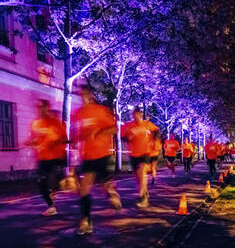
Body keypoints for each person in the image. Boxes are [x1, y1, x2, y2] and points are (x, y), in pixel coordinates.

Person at [73, 85, 121, 235]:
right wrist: (75, 140)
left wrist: (99, 131)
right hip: (87, 157)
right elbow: (79, 133)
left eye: (85, 94)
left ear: (91, 95)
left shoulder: (100, 111)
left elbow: (114, 129)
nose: (83, 97)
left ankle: (111, 192)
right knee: (84, 189)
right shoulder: (79, 113)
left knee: (105, 187)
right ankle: (86, 221)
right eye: (81, 95)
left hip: (102, 155)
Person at [25, 99, 67, 217]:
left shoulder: (55, 122)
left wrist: (56, 142)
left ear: (47, 108)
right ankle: (51, 207)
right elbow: (35, 139)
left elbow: (65, 138)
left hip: (54, 158)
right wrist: (30, 143)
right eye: (39, 108)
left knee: (54, 182)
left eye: (43, 107)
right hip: (42, 158)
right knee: (41, 183)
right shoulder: (35, 123)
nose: (41, 110)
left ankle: (58, 184)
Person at [122, 107, 159, 208]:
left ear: (141, 114)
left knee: (142, 173)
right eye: (134, 114)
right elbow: (123, 136)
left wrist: (153, 140)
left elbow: (156, 130)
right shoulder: (129, 125)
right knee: (138, 177)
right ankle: (145, 192)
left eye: (138, 114)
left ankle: (141, 197)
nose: (136, 116)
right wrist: (127, 138)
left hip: (145, 153)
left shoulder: (147, 124)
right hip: (133, 154)